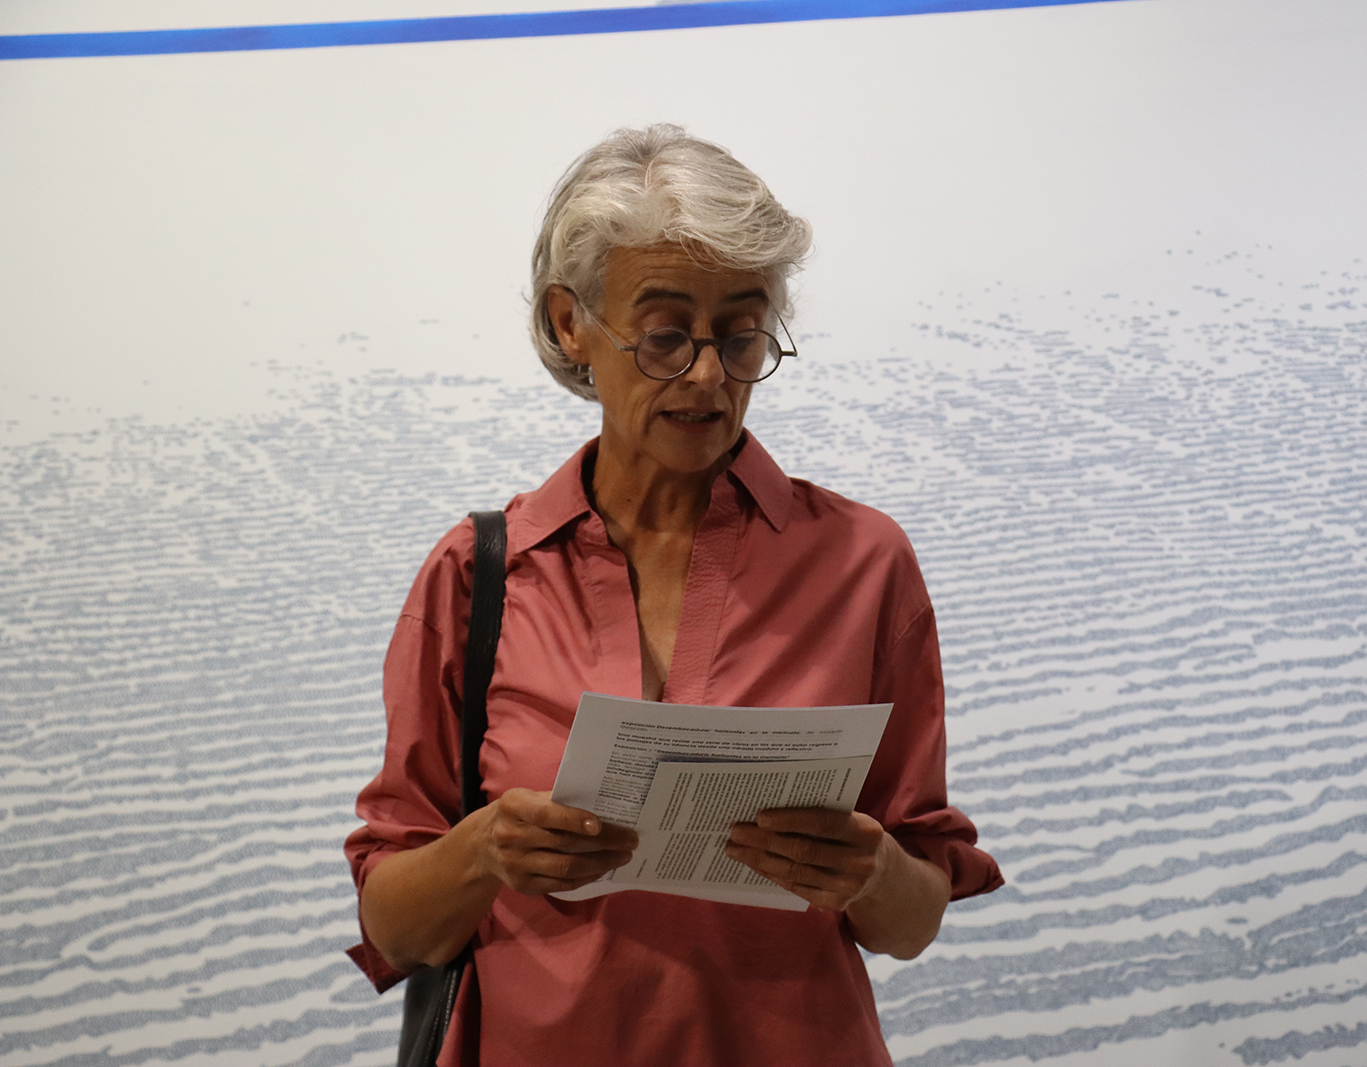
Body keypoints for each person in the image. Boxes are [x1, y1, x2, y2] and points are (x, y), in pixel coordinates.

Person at [345, 124, 1003, 1067]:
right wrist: (485, 850)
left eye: (740, 336)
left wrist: (871, 870)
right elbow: (396, 927)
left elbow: (912, 921)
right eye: (664, 336)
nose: (707, 374)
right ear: (570, 323)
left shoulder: (863, 562)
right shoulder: (476, 574)